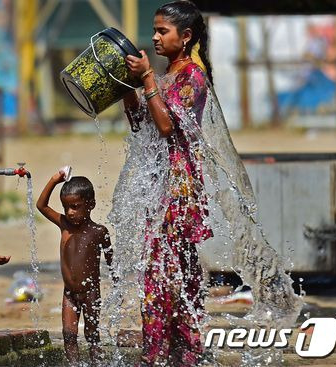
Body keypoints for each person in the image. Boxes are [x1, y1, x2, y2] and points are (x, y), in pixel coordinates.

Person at [117, 1, 215, 365]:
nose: (155, 37)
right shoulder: (164, 77)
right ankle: (179, 353)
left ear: (185, 36)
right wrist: (128, 87)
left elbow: (167, 126)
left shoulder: (193, 77)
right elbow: (142, 125)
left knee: (167, 275)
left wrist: (145, 79)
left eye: (163, 31)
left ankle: (165, 354)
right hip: (160, 186)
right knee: (164, 272)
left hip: (180, 189)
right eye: (155, 30)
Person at [36, 172, 114, 365]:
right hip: (69, 294)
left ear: (91, 205)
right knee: (69, 335)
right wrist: (54, 179)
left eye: (75, 207)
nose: (70, 212)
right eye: (65, 207)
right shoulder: (64, 225)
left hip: (91, 293)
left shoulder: (99, 232)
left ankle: (97, 363)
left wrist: (116, 277)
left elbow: (112, 260)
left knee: (92, 335)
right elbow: (41, 206)